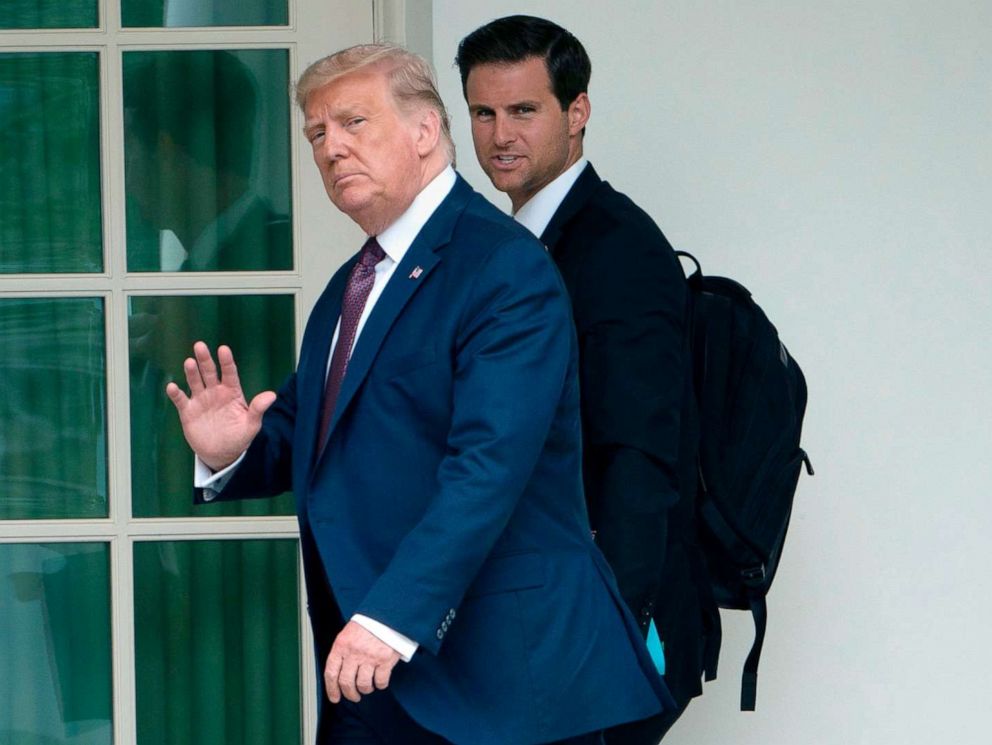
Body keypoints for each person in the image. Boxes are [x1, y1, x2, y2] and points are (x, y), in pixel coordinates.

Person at [166, 43, 675, 745]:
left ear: (426, 132)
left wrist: (391, 619)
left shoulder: (502, 268)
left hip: (492, 680)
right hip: (376, 671)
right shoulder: (354, 281)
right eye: (318, 133)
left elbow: (488, 467)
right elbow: (325, 432)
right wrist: (235, 451)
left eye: (353, 122)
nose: (331, 148)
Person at [456, 17, 720, 743]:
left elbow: (640, 452)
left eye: (524, 110)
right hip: (544, 619)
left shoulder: (615, 249)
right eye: (484, 112)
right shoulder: (519, 245)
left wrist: (611, 635)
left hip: (607, 629)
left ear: (577, 113)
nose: (501, 135)